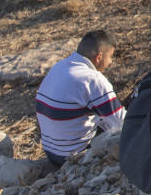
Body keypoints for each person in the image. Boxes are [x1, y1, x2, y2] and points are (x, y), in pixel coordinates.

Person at [35, 30, 124, 166]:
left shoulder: (59, 67)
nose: (111, 62)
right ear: (99, 57)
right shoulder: (92, 79)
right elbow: (121, 123)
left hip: (51, 152)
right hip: (73, 155)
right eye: (111, 56)